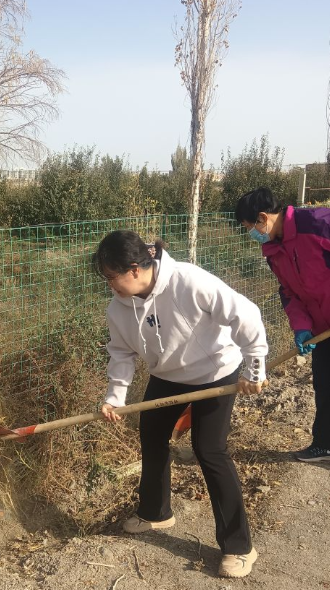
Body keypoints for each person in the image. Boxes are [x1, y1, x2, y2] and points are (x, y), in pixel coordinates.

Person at [93, 230, 268, 579]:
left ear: (134, 269)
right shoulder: (118, 307)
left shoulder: (187, 280)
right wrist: (115, 396)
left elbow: (244, 313)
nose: (109, 285)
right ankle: (156, 512)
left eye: (111, 277)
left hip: (215, 373)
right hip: (167, 375)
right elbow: (121, 353)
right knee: (151, 436)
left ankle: (239, 547)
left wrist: (255, 366)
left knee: (209, 449)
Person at [235, 187, 330, 462]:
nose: (251, 233)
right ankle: (324, 445)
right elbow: (288, 291)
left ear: (263, 218)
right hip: (322, 329)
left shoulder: (318, 224)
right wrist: (301, 327)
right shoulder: (274, 250)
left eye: (249, 227)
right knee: (324, 384)